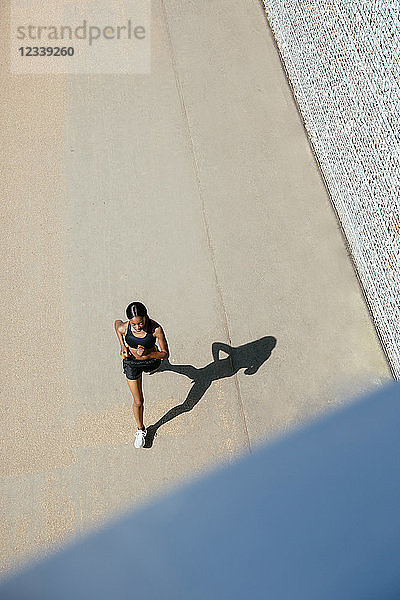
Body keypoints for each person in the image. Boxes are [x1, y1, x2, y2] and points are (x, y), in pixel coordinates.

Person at [114, 301, 169, 448]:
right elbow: (117, 324)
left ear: (146, 317)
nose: (138, 327)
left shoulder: (155, 329)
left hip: (151, 362)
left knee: (155, 367)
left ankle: (154, 368)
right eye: (134, 324)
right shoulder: (125, 327)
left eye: (141, 323)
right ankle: (141, 430)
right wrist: (122, 346)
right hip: (132, 364)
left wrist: (149, 353)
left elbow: (165, 354)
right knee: (138, 401)